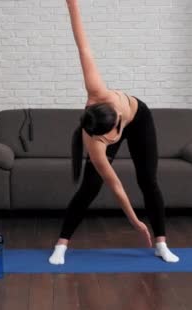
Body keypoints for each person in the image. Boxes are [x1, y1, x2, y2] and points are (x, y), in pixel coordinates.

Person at [48, 0, 179, 265]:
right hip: (108, 124)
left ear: (118, 119)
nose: (109, 142)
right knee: (90, 186)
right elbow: (115, 185)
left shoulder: (98, 89)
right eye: (104, 140)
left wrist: (72, 5)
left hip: (140, 117)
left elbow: (82, 46)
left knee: (148, 180)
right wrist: (134, 221)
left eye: (111, 137)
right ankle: (61, 245)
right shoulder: (94, 142)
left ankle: (161, 244)